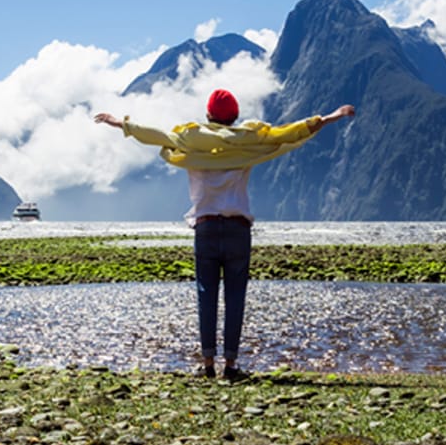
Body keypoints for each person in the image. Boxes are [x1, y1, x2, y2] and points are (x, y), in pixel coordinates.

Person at [95, 89, 356, 380]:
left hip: (205, 227)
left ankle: (208, 363)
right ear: (234, 117)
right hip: (237, 229)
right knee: (235, 297)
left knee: (206, 295)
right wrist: (331, 117)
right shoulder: (248, 142)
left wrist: (120, 123)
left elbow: (154, 135)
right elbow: (289, 132)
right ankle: (230, 365)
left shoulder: (190, 142)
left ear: (208, 115)